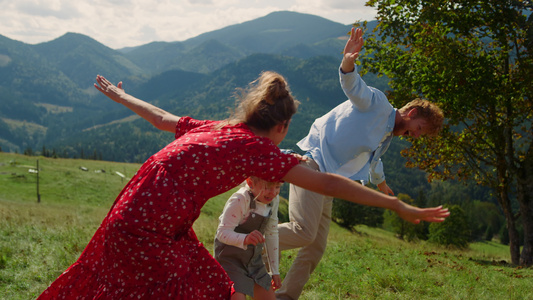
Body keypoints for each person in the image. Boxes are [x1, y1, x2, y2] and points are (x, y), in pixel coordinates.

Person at [37, 68, 448, 299]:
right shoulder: (257, 151)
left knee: (204, 286)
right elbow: (326, 183)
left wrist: (122, 99)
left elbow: (164, 119)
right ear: (282, 126)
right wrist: (395, 206)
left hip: (138, 206)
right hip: (153, 221)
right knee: (192, 289)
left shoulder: (224, 127)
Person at [274, 27, 446, 299]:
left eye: (420, 134)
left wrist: (384, 186)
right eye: (419, 128)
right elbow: (353, 85)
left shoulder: (386, 134)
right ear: (412, 113)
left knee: (315, 247)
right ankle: (246, 242)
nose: (415, 135)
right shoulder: (377, 103)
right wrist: (348, 61)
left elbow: (374, 162)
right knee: (303, 232)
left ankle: (285, 297)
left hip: (328, 182)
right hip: (312, 165)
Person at [214, 176, 283, 300]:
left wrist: (275, 271)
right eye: (267, 187)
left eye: (277, 187)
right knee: (237, 296)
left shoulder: (273, 200)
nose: (273, 192)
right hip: (230, 261)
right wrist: (245, 238)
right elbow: (222, 233)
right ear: (250, 182)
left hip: (253, 261)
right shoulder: (240, 199)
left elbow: (272, 233)